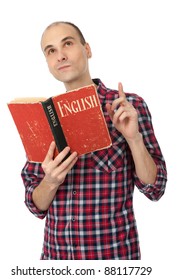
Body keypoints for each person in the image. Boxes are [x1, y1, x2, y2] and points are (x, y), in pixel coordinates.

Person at [21, 21, 167, 260]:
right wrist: (50, 181)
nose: (60, 56)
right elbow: (35, 205)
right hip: (56, 260)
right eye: (51, 50)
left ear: (87, 49)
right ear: (47, 62)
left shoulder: (126, 107)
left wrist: (134, 139)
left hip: (114, 260)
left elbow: (155, 188)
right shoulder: (43, 117)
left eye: (67, 43)